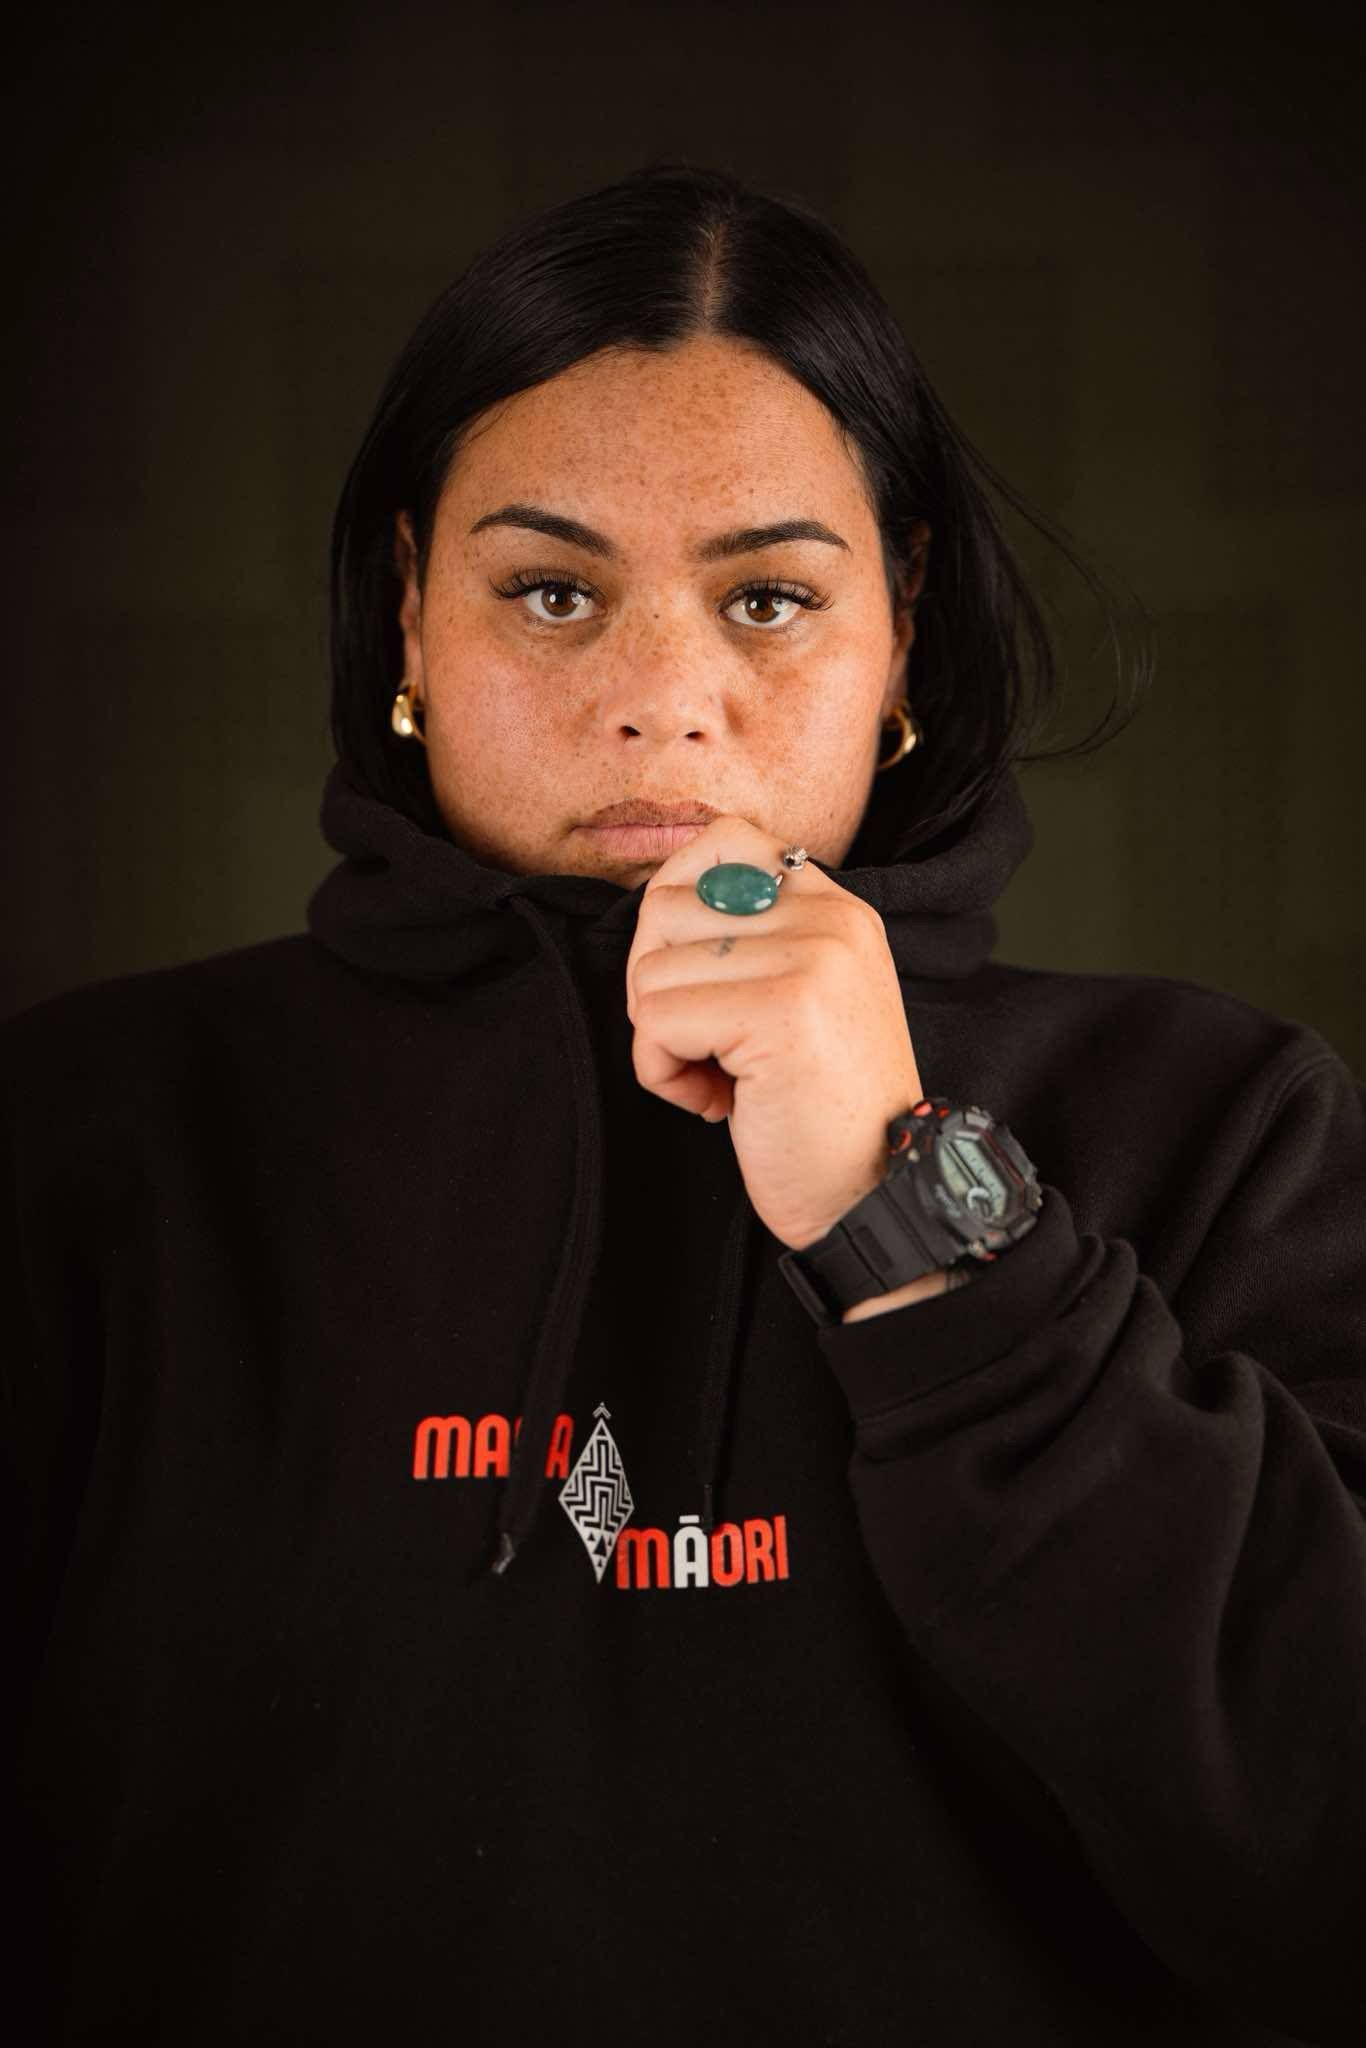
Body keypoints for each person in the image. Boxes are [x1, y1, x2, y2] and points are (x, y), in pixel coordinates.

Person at [3, 158, 1362, 2048]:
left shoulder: (1224, 1121)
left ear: (901, 638)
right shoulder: (85, 1144)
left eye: (771, 600)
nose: (662, 700)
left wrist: (929, 1236)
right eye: (551, 591)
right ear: (409, 617)